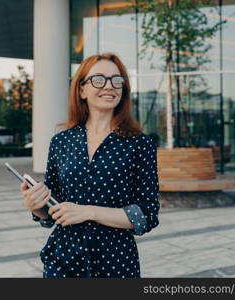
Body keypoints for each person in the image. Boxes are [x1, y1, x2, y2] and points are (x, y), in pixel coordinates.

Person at [20, 53, 160, 278]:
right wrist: (36, 205)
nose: (109, 86)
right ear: (82, 90)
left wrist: (89, 212)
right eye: (99, 79)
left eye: (117, 80)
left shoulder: (140, 144)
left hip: (115, 263)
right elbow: (52, 208)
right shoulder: (61, 141)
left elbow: (147, 215)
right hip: (63, 259)